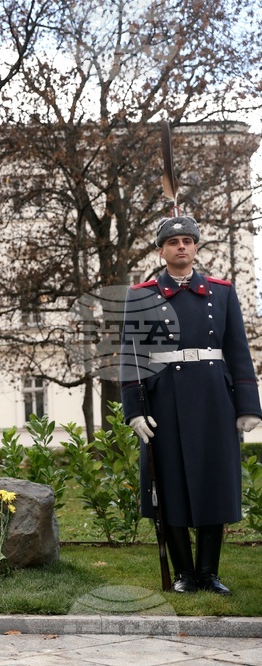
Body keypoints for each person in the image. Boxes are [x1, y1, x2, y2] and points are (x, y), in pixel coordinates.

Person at [121, 216, 261, 595]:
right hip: (164, 400)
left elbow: (238, 350)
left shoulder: (222, 291)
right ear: (161, 250)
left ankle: (208, 573)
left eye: (187, 240)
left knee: (214, 483)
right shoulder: (141, 295)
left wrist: (248, 404)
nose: (181, 246)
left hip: (215, 399)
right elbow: (131, 356)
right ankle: (184, 573)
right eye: (173, 241)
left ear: (196, 247)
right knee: (169, 485)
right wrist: (134, 409)